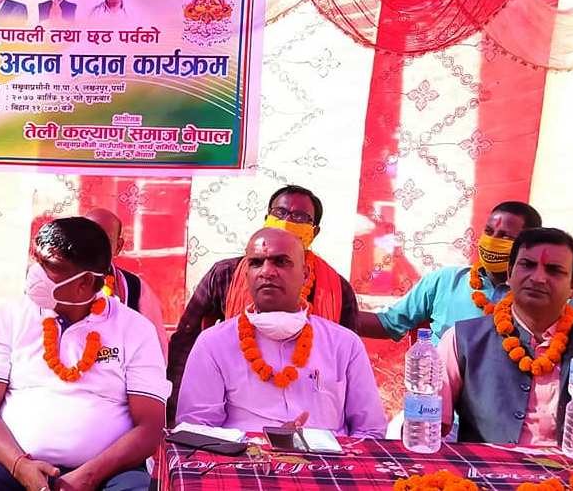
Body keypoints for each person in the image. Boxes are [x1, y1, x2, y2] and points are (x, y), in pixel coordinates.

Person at [0, 217, 168, 491]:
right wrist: (20, 466)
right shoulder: (10, 316)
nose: (35, 274)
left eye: (49, 266)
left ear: (85, 282)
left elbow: (151, 427)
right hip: (13, 464)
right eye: (37, 260)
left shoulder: (135, 329)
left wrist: (88, 477)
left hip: (110, 473)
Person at [436, 228, 573, 459]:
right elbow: (428, 427)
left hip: (570, 475)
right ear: (509, 273)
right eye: (527, 265)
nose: (537, 278)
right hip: (483, 471)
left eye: (554, 270)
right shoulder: (462, 339)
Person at [167, 185, 356, 419]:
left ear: (314, 231)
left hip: (316, 421)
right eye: (280, 212)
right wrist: (174, 411)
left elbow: (349, 369)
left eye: (300, 217)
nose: (287, 221)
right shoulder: (225, 274)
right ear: (267, 218)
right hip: (236, 416)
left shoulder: (337, 289)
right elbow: (186, 339)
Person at [175, 228, 387, 437]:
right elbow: (195, 428)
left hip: (328, 458)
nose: (267, 272)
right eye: (256, 263)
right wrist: (262, 444)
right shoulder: (214, 343)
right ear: (246, 274)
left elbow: (370, 431)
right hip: (241, 457)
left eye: (281, 261)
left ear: (305, 274)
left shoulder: (344, 344)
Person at [356, 187, 573, 346]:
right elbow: (389, 323)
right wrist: (334, 315)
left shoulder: (546, 294)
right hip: (441, 413)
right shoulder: (445, 282)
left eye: (505, 236)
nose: (492, 240)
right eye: (489, 231)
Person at [84, 207, 169, 356]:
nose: (94, 247)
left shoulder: (135, 287)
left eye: (104, 241)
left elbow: (156, 349)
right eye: (87, 238)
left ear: (118, 246)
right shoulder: (59, 284)